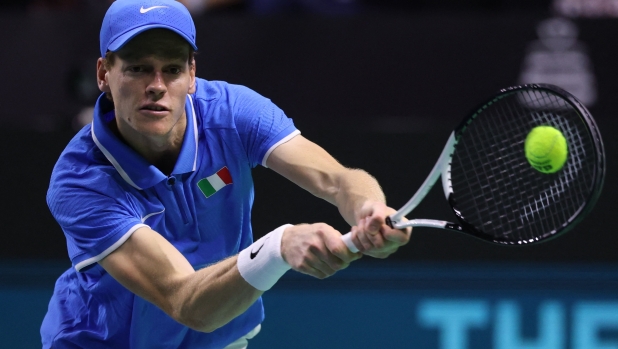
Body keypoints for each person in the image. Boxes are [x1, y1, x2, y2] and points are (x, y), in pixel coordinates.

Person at [40, 0, 410, 348]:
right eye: (137, 68)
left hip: (222, 337)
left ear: (192, 75)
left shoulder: (232, 113)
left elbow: (337, 179)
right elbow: (185, 300)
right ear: (105, 74)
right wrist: (279, 247)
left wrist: (368, 209)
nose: (156, 85)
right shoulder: (81, 181)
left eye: (172, 69)